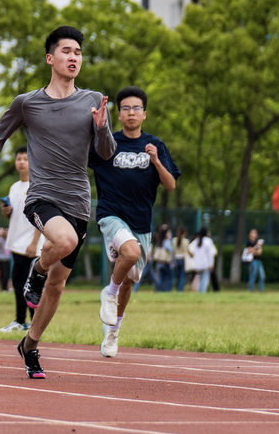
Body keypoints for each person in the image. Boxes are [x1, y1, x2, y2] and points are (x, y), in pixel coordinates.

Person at [0, 25, 116, 379]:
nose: (74, 58)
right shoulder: (28, 103)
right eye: (67, 52)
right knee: (63, 242)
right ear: (50, 58)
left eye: (79, 53)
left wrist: (101, 127)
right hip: (42, 197)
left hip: (78, 201)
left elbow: (105, 155)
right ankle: (36, 270)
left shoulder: (93, 100)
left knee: (58, 286)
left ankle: (30, 345)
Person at [88, 86, 180, 358]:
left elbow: (171, 185)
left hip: (141, 221)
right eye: (125, 108)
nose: (131, 112)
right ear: (118, 113)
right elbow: (77, 156)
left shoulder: (156, 145)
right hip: (111, 213)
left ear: (144, 114)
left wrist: (155, 161)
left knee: (131, 280)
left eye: (136, 108)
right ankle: (109, 292)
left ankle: (114, 329)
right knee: (130, 253)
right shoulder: (107, 144)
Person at [0, 146, 43, 333]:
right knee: (17, 284)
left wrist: (34, 243)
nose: (22, 162)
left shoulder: (37, 185)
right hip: (16, 244)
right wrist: (5, 212)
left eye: (25, 158)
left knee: (32, 285)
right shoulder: (14, 187)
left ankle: (35, 323)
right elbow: (13, 216)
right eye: (19, 159)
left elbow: (40, 216)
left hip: (32, 245)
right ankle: (19, 321)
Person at [188, 227, 217, 293]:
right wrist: (211, 263)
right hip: (205, 264)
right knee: (205, 279)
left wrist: (193, 255)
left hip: (197, 264)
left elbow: (189, 247)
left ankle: (199, 292)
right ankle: (203, 292)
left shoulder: (196, 241)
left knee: (199, 279)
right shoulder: (208, 241)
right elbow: (211, 253)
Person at [172, 226, 190, 292]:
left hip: (176, 260)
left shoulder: (174, 240)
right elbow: (187, 251)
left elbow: (173, 251)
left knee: (178, 276)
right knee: (182, 277)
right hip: (183, 260)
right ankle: (180, 290)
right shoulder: (186, 241)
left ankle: (177, 289)